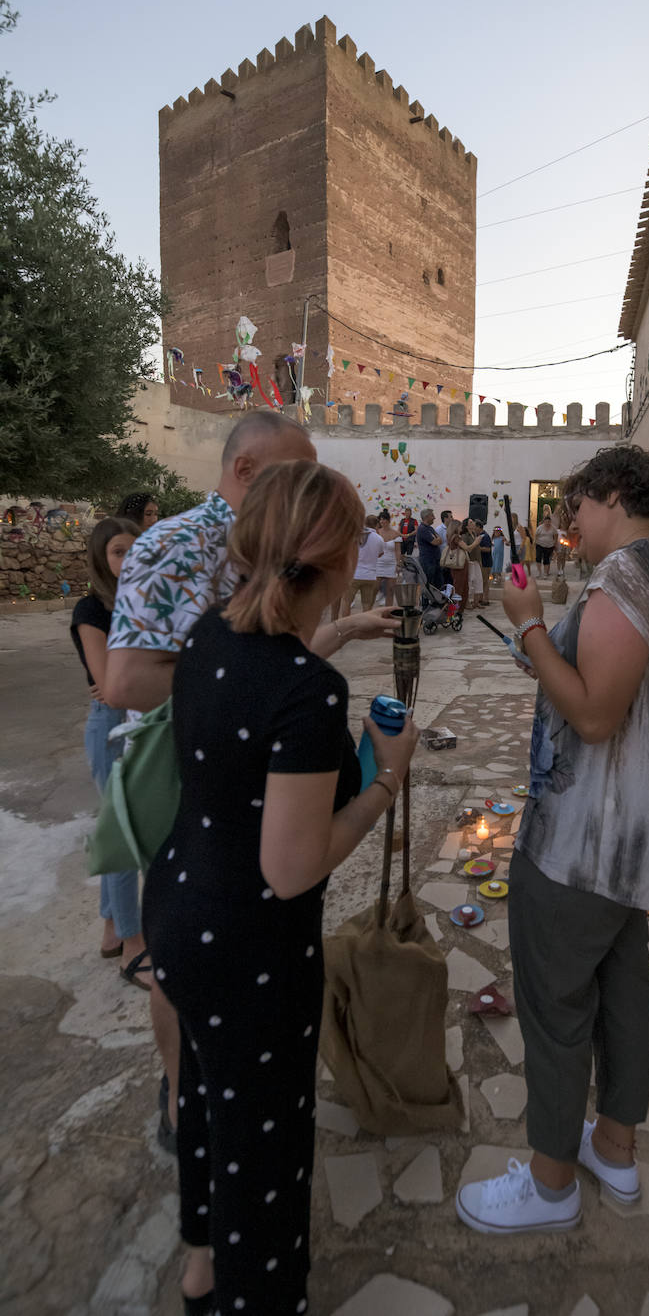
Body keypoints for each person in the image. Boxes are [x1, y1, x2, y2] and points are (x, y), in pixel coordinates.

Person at [143, 459, 420, 1316]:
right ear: (339, 561)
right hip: (248, 949)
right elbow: (293, 865)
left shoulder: (207, 640)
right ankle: (256, 1296)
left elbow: (257, 685)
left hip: (180, 911)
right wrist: (384, 781)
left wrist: (335, 638)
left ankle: (200, 1266)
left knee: (201, 1095)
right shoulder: (306, 694)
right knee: (261, 1144)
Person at [106, 410, 396, 1155]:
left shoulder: (260, 574)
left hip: (255, 771)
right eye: (290, 477)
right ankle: (184, 1102)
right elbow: (128, 680)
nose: (303, 492)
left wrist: (327, 642)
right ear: (244, 473)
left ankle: (213, 1122)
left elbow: (275, 650)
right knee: (194, 959)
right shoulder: (171, 546)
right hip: (193, 772)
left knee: (232, 940)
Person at [456, 445, 649, 1235]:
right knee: (623, 994)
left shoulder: (627, 576)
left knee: (557, 1004)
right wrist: (534, 629)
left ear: (610, 495)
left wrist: (531, 627)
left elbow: (595, 715)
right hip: (632, 845)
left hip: (582, 844)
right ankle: (616, 1152)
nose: (573, 528)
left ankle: (552, 1181)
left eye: (577, 511)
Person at [71, 516, 147, 986]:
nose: (129, 559)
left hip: (146, 719)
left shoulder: (143, 602)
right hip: (112, 727)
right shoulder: (90, 609)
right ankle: (133, 947)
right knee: (123, 836)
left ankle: (111, 928)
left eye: (135, 550)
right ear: (101, 557)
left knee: (120, 826)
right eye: (119, 552)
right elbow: (112, 688)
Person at [342, 514, 384, 615]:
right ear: (376, 524)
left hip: (355, 574)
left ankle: (346, 625)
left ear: (365, 523)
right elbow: (380, 554)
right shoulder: (379, 538)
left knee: (346, 602)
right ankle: (365, 628)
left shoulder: (356, 535)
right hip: (370, 576)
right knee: (366, 604)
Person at [376, 509, 403, 606]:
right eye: (380, 520)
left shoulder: (395, 533)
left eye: (384, 519)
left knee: (390, 591)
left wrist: (398, 563)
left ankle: (388, 612)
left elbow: (398, 550)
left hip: (391, 564)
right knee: (374, 589)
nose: (382, 522)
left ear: (388, 520)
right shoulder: (377, 532)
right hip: (378, 563)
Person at [441, 520, 469, 607]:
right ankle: (455, 609)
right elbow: (468, 548)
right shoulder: (457, 537)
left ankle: (454, 608)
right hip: (460, 566)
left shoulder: (449, 536)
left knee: (457, 586)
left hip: (454, 566)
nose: (461, 528)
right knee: (460, 588)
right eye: (460, 526)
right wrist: (477, 542)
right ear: (456, 527)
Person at [461, 518, 484, 610]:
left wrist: (480, 561)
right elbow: (467, 549)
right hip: (469, 561)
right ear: (466, 526)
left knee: (479, 580)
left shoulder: (474, 534)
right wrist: (476, 542)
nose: (473, 523)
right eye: (471, 522)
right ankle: (466, 602)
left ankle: (476, 602)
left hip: (476, 561)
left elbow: (477, 550)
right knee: (470, 581)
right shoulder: (464, 536)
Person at [416, 508, 442, 588]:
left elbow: (440, 540)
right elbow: (435, 542)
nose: (434, 517)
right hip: (428, 562)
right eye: (432, 515)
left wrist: (438, 539)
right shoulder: (422, 529)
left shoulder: (430, 528)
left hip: (434, 560)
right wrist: (437, 539)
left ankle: (435, 600)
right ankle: (426, 600)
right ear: (426, 517)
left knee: (437, 583)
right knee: (429, 585)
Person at [534, 514, 559, 579]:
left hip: (549, 545)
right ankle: (539, 572)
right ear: (544, 522)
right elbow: (536, 535)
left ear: (550, 522)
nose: (547, 523)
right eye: (546, 522)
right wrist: (535, 542)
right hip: (540, 544)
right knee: (538, 558)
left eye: (548, 522)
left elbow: (556, 535)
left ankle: (545, 573)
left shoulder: (553, 528)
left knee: (546, 559)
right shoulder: (540, 527)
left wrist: (555, 543)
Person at [478, 522, 493, 605]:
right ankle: (481, 598)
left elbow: (488, 549)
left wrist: (478, 547)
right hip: (483, 562)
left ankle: (485, 599)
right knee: (482, 581)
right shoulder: (480, 536)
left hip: (486, 562)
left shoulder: (485, 536)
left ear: (479, 527)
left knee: (485, 582)